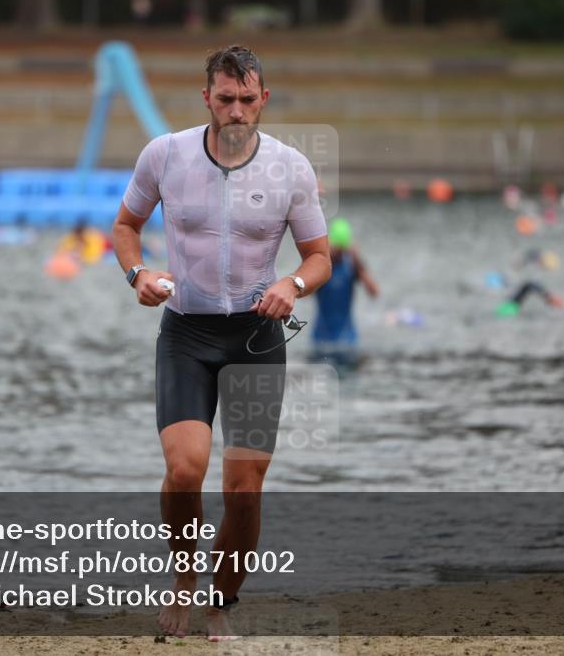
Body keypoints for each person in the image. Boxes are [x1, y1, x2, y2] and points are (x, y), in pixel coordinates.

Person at [111, 45, 331, 641]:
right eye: (225, 99)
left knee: (243, 490)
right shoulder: (165, 155)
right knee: (185, 471)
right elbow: (126, 227)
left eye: (247, 100)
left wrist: (292, 282)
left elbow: (319, 259)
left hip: (257, 338)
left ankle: (220, 600)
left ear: (263, 101)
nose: (236, 111)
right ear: (207, 98)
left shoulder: (291, 169)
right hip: (187, 331)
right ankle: (184, 580)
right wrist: (139, 276)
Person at [311, 218, 379, 365]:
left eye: (343, 249)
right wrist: (320, 261)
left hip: (348, 340)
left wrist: (358, 263)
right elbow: (303, 293)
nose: (339, 253)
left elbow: (374, 293)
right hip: (320, 340)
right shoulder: (322, 266)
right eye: (337, 249)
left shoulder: (353, 265)